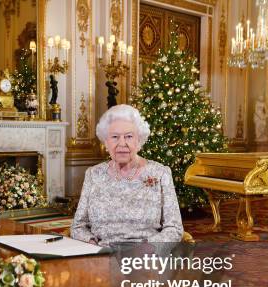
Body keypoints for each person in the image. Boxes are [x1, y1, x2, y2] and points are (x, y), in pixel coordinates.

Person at [71, 104, 184, 246]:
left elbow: (174, 229)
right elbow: (78, 227)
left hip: (145, 256)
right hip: (103, 254)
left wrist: (146, 249)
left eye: (129, 136)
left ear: (139, 141)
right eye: (115, 137)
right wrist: (92, 244)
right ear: (106, 142)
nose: (122, 143)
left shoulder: (160, 173)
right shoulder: (93, 174)